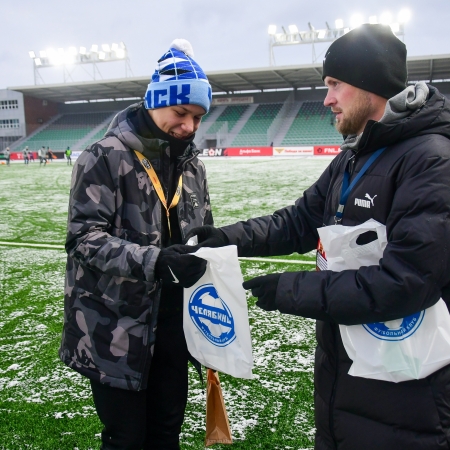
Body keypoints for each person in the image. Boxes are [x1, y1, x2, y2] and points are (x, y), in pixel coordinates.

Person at [188, 24, 450, 449]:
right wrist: (227, 238)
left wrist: (292, 289)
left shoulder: (430, 161)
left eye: (334, 85)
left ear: (370, 85)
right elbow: (298, 221)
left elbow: (407, 281)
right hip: (343, 383)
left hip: (406, 399)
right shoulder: (355, 155)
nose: (326, 98)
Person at [59, 39, 213, 450]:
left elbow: (201, 229)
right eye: (181, 113)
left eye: (198, 117)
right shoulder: (104, 157)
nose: (190, 127)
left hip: (174, 329)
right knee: (126, 439)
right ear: (154, 101)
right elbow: (83, 239)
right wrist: (154, 261)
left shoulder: (192, 164)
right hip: (116, 330)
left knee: (166, 435)